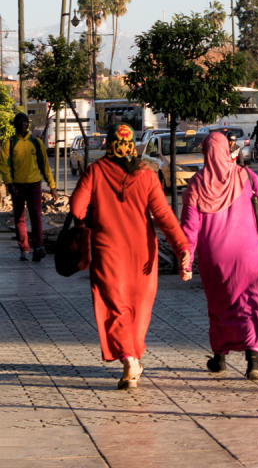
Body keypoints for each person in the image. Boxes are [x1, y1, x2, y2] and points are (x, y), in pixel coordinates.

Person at [70, 122, 192, 390]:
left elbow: (77, 209)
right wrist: (182, 247)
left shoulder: (96, 171)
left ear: (109, 143)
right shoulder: (146, 176)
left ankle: (129, 359)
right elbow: (164, 216)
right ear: (132, 146)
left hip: (107, 251)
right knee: (138, 309)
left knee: (115, 308)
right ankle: (133, 357)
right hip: (143, 254)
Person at [181, 131, 258, 381]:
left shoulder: (197, 184)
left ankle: (219, 358)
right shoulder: (246, 176)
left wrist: (185, 259)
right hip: (249, 254)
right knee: (254, 306)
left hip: (215, 258)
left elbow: (190, 229)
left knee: (221, 307)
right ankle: (253, 362)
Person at [0, 112, 59, 262]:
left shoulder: (36, 142)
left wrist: (52, 186)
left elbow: (45, 166)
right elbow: (4, 166)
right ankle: (24, 248)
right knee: (19, 218)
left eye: (25, 122)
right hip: (17, 186)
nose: (23, 125)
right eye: (20, 122)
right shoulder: (10, 143)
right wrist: (9, 183)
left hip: (34, 185)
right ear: (15, 125)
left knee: (36, 217)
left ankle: (38, 247)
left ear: (28, 124)